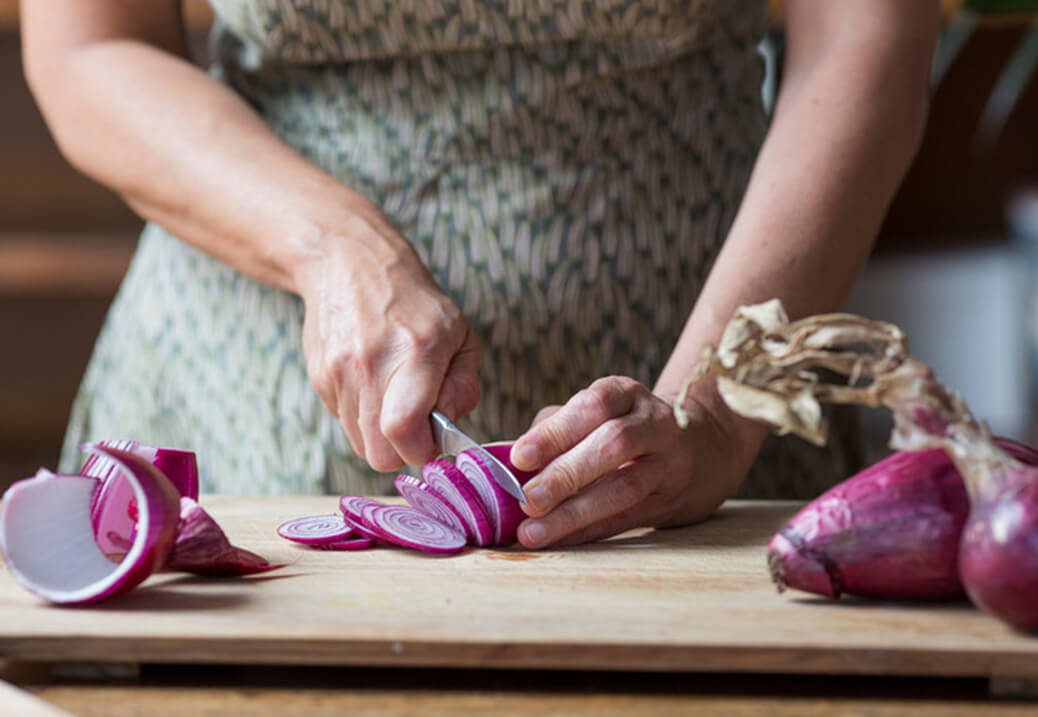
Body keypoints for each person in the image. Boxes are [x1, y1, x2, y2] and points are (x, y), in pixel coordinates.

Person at [23, 1, 939, 549]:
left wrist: (712, 412)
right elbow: (89, 48)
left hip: (717, 386)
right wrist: (332, 246)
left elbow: (869, 39)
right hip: (241, 409)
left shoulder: (719, 412)